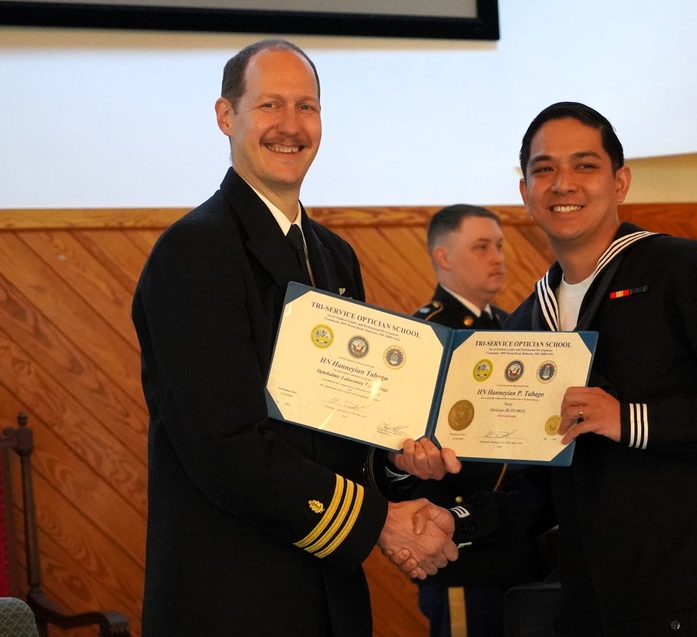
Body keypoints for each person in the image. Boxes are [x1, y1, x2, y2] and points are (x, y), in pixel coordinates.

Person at [409, 102, 697, 636]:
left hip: (687, 603)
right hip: (583, 606)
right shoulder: (528, 322)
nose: (563, 183)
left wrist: (631, 420)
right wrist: (457, 522)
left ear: (620, 182)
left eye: (585, 165)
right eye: (544, 169)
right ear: (525, 192)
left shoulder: (682, 268)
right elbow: (537, 486)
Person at [131, 39, 457, 637]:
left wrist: (399, 461)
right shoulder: (195, 251)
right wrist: (379, 523)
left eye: (307, 107)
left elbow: (344, 425)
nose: (291, 126)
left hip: (327, 595)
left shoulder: (333, 255)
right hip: (234, 598)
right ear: (226, 117)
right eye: (270, 106)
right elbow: (224, 445)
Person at [408, 205, 546, 637]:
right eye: (482, 246)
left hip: (524, 546)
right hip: (463, 554)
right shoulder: (424, 336)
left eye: (501, 246)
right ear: (444, 256)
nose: (498, 257)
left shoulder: (513, 327)